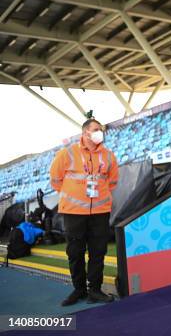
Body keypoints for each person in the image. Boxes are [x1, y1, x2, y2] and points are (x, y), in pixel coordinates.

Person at [50, 118, 118, 306]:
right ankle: (78, 289)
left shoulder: (109, 155)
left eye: (101, 130)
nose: (100, 133)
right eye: (96, 129)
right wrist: (75, 196)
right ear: (85, 133)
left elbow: (112, 182)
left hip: (100, 212)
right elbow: (55, 180)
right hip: (73, 213)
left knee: (98, 252)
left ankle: (94, 290)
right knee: (75, 252)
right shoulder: (67, 153)